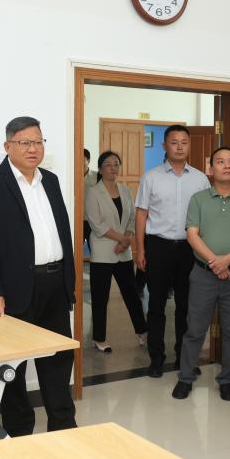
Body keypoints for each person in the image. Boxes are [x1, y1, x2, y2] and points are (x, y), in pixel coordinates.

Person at [0, 116, 77, 437]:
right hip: (14, 291)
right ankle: (18, 433)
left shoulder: (50, 181)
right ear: (8, 146)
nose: (33, 149)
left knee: (58, 361)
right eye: (25, 143)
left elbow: (62, 232)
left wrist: (69, 283)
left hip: (55, 286)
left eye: (38, 142)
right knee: (13, 368)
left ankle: (64, 429)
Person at [172, 147, 230, 401]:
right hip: (203, 275)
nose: (227, 165)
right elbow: (192, 235)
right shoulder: (198, 199)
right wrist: (215, 263)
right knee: (195, 329)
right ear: (211, 170)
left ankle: (227, 379)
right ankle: (185, 378)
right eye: (220, 162)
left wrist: (227, 261)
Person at [134, 125, 211, 378]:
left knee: (186, 306)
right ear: (164, 146)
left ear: (189, 145)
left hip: (190, 248)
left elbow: (206, 217)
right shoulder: (151, 177)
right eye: (174, 142)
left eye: (184, 142)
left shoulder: (200, 179)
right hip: (158, 246)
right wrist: (140, 250)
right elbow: (141, 214)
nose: (179, 147)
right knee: (156, 305)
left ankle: (184, 358)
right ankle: (156, 358)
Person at [85, 151, 147, 352]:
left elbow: (132, 218)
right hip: (103, 252)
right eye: (108, 164)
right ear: (100, 168)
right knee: (100, 297)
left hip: (123, 252)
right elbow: (96, 224)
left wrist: (126, 239)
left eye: (116, 164)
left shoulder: (125, 190)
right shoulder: (93, 192)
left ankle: (142, 331)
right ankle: (99, 338)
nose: (113, 168)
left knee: (132, 295)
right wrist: (123, 239)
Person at [83, 148, 97, 247]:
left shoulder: (97, 177)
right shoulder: (72, 176)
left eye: (83, 160)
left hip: (92, 221)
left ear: (88, 160)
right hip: (77, 219)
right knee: (75, 250)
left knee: (94, 249)